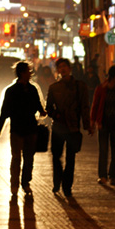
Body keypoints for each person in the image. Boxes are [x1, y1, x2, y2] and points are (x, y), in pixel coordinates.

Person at [0, 60, 46, 198]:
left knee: (29, 158)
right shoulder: (11, 91)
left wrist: (44, 111)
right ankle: (15, 184)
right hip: (17, 129)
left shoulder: (32, 89)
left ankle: (25, 183)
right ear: (22, 73)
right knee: (17, 158)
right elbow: (5, 112)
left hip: (30, 129)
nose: (30, 74)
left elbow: (39, 107)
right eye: (28, 71)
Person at [46, 58, 93, 197]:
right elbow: (48, 108)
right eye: (60, 67)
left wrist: (87, 125)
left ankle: (67, 186)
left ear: (70, 68)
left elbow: (85, 107)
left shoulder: (80, 86)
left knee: (71, 159)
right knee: (56, 156)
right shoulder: (54, 88)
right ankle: (57, 180)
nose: (63, 69)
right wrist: (56, 115)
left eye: (65, 66)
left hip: (73, 128)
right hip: (58, 127)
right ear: (57, 70)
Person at [90, 65, 115, 186]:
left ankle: (113, 175)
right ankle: (102, 176)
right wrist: (93, 121)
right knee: (103, 150)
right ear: (112, 77)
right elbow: (95, 105)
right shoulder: (101, 89)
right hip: (104, 123)